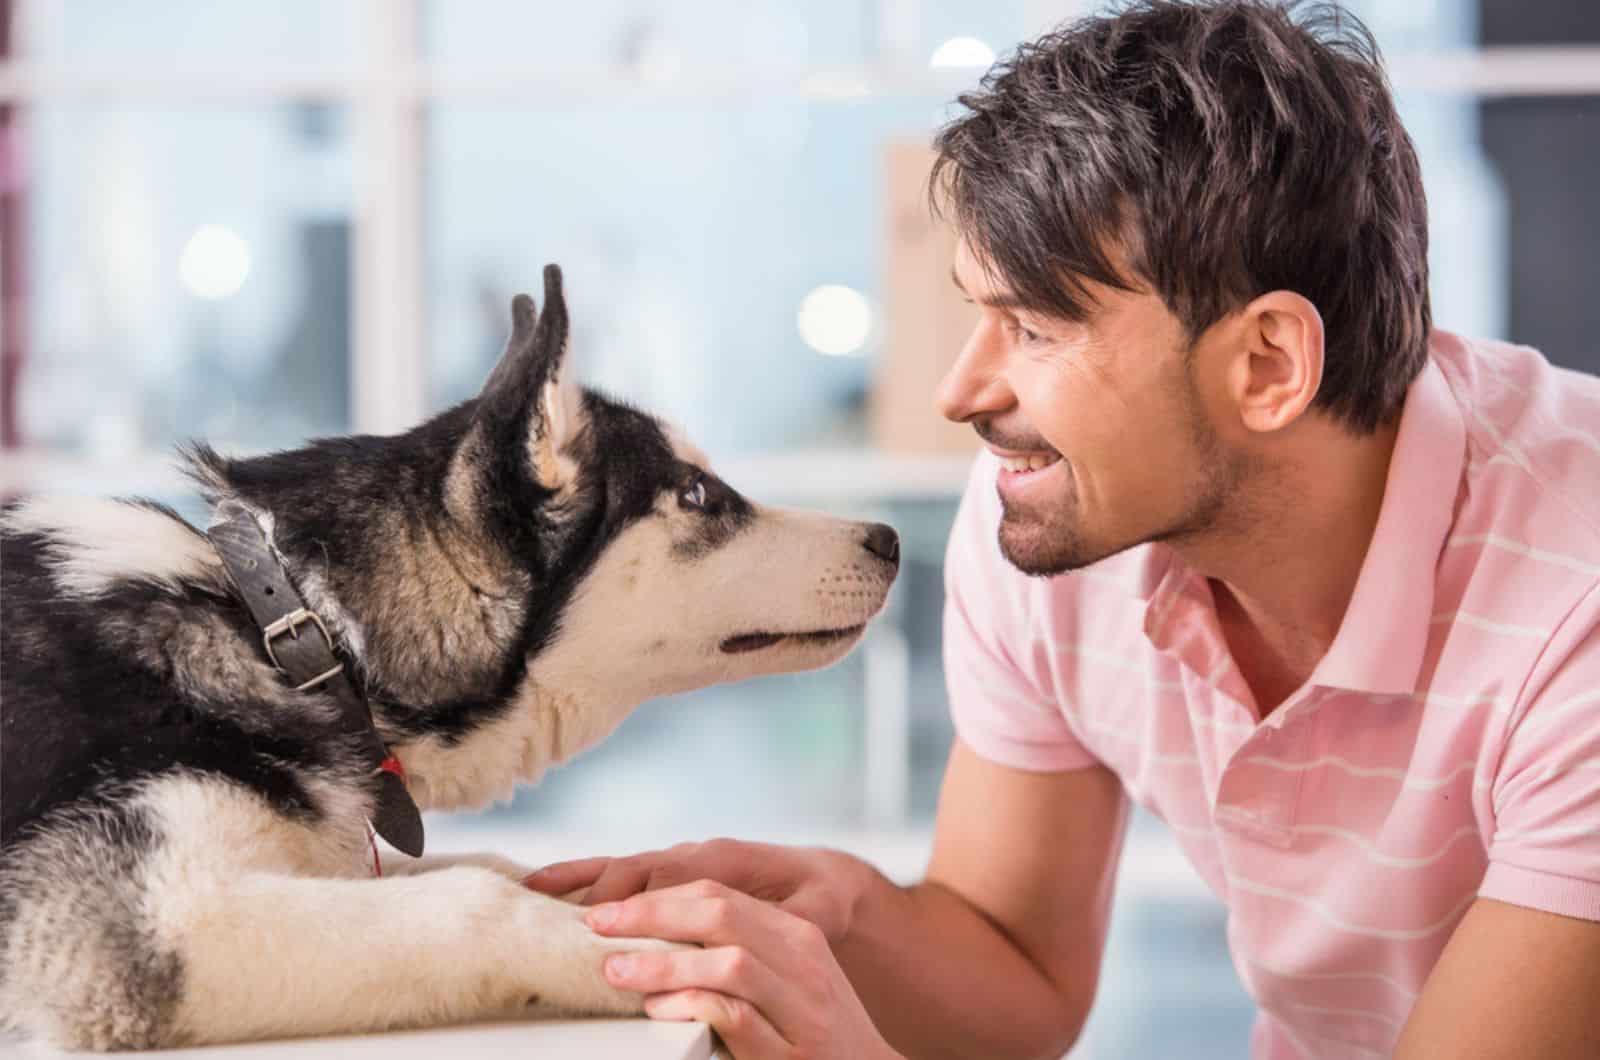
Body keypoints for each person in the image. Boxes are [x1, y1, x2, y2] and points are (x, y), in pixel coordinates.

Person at [528, 2, 1600, 1056]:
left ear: (1268, 364)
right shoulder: (1068, 507)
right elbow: (1016, 981)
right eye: (977, 315)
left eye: (1034, 327)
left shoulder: (1576, 609)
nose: (959, 391)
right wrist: (841, 913)